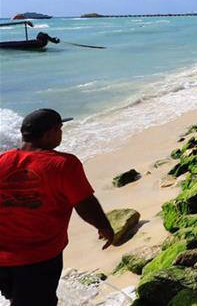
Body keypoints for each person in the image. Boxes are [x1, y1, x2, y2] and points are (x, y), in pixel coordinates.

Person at [0, 109, 115, 306]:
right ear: (50, 133)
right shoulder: (62, 164)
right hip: (39, 257)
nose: (61, 133)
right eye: (60, 129)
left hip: (3, 258)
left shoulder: (2, 160)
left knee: (17, 299)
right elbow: (84, 203)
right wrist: (104, 226)